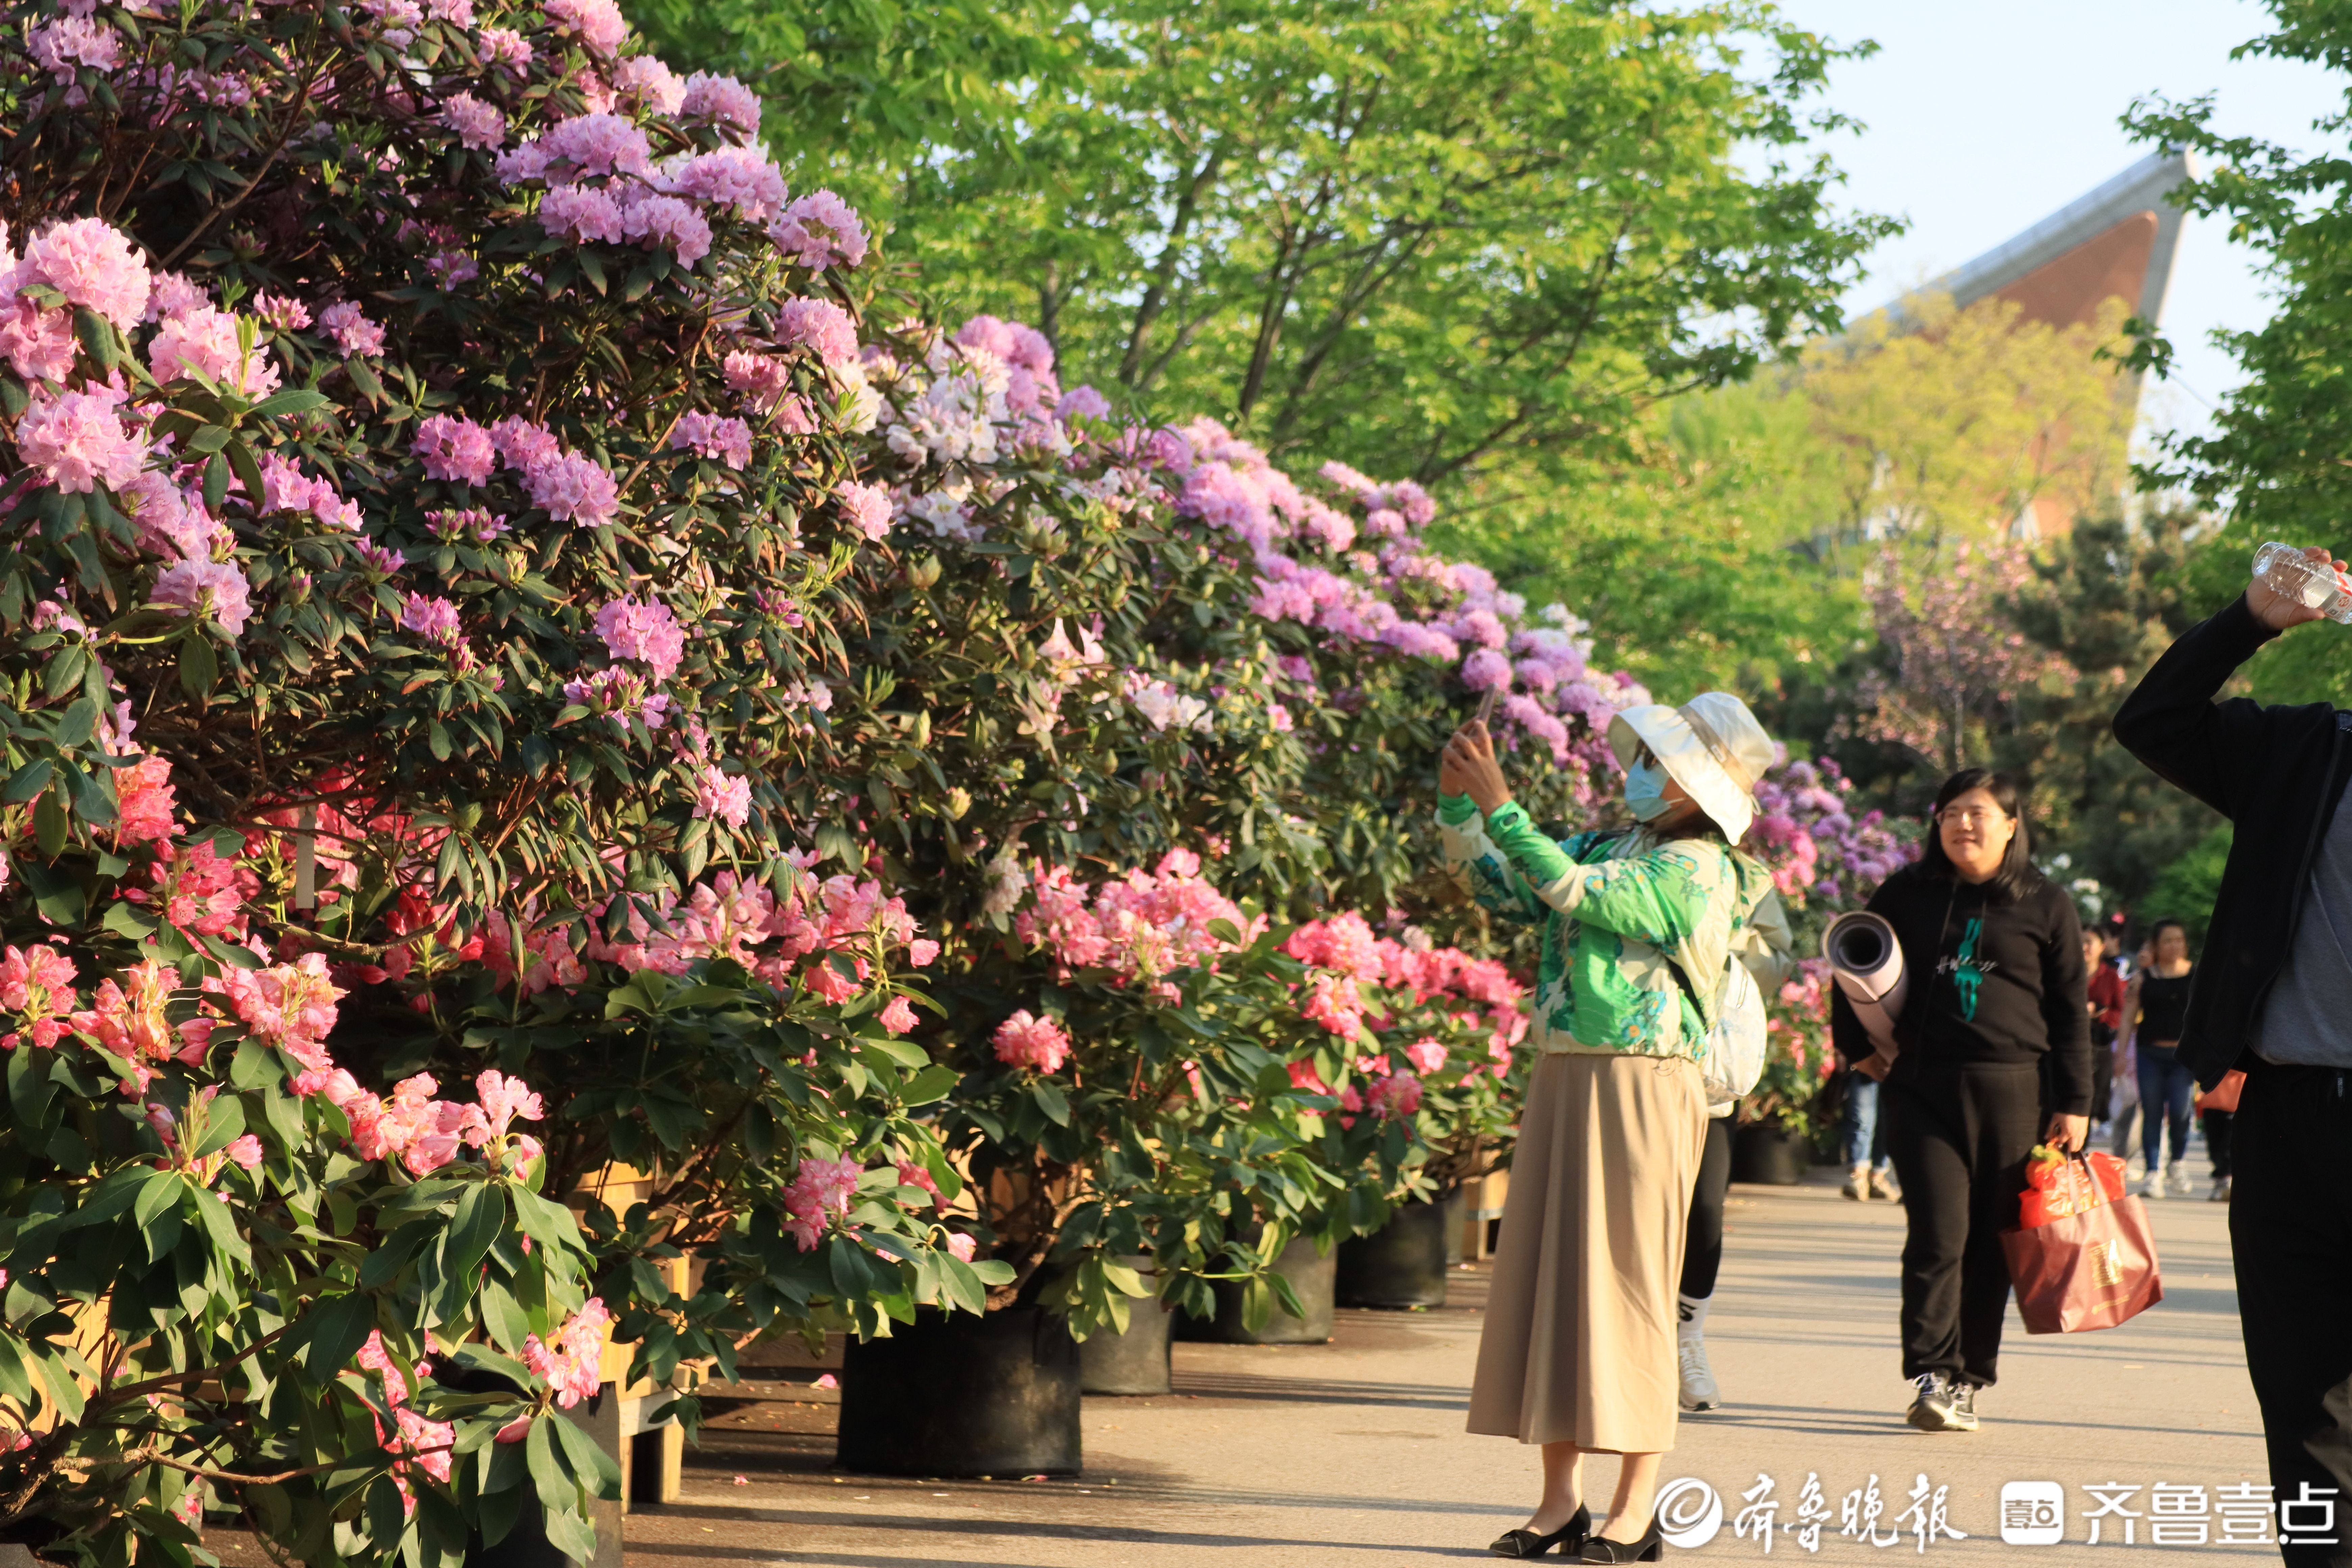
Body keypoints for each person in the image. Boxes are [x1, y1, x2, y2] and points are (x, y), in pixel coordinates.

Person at [1440, 693, 1778, 1563]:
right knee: (1559, 1278)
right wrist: (1457, 803)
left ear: (1696, 787)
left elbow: (1573, 889)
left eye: (1659, 763)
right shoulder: (1613, 841)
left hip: (1642, 1081)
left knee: (1628, 1289)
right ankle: (1560, 1502)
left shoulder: (1704, 867)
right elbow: (1505, 884)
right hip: (1565, 1071)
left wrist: (1500, 803)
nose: (1639, 772)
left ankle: (1636, 1508)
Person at [2113, 545, 2352, 1568]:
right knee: (2300, 1389)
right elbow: (2152, 720)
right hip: (2288, 1114)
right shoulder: (2305, 751)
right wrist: (2247, 621)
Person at [1828, 768, 2090, 1436]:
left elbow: (2069, 1012)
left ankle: (1970, 1376)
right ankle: (1929, 1373)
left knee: (1991, 1244)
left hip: (2017, 1092)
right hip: (1924, 1088)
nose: (1962, 825)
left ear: (2010, 824)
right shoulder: (1907, 893)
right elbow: (1850, 964)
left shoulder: (2045, 902)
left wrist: (2076, 1101)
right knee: (1937, 1236)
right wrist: (1857, 1049)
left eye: (1978, 813)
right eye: (1950, 813)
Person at [1677, 888, 1795, 1413]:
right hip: (1631, 1062)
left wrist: (1723, 948)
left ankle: (1687, 1341)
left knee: (1705, 1209)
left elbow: (1776, 961)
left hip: (1708, 1084)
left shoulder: (1745, 880)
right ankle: (1623, 1353)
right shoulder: (1626, 856)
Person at [2120, 919, 2198, 1197]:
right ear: (2156, 946)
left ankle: (2177, 1161)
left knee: (2180, 1112)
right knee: (2151, 1113)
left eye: (2179, 940)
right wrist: (2120, 1054)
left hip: (2183, 1057)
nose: (2175, 945)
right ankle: (2153, 1172)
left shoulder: (2197, 976)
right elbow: (2128, 1017)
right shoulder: (2143, 978)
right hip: (2149, 1054)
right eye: (2168, 941)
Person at [2085, 925, 2128, 1138]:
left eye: (2089, 942)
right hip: (2070, 1040)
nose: (2084, 947)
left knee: (2098, 1089)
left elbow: (2120, 1010)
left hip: (2098, 1041)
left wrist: (2098, 1014)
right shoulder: (2066, 972)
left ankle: (2098, 1121)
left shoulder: (2110, 976)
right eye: (2080, 941)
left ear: (2102, 946)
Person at [1838, 1062, 1899, 1202]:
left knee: (1888, 1120)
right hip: (1864, 1061)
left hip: (1894, 1063)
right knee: (1860, 1118)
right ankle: (1859, 1176)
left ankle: (1877, 1177)